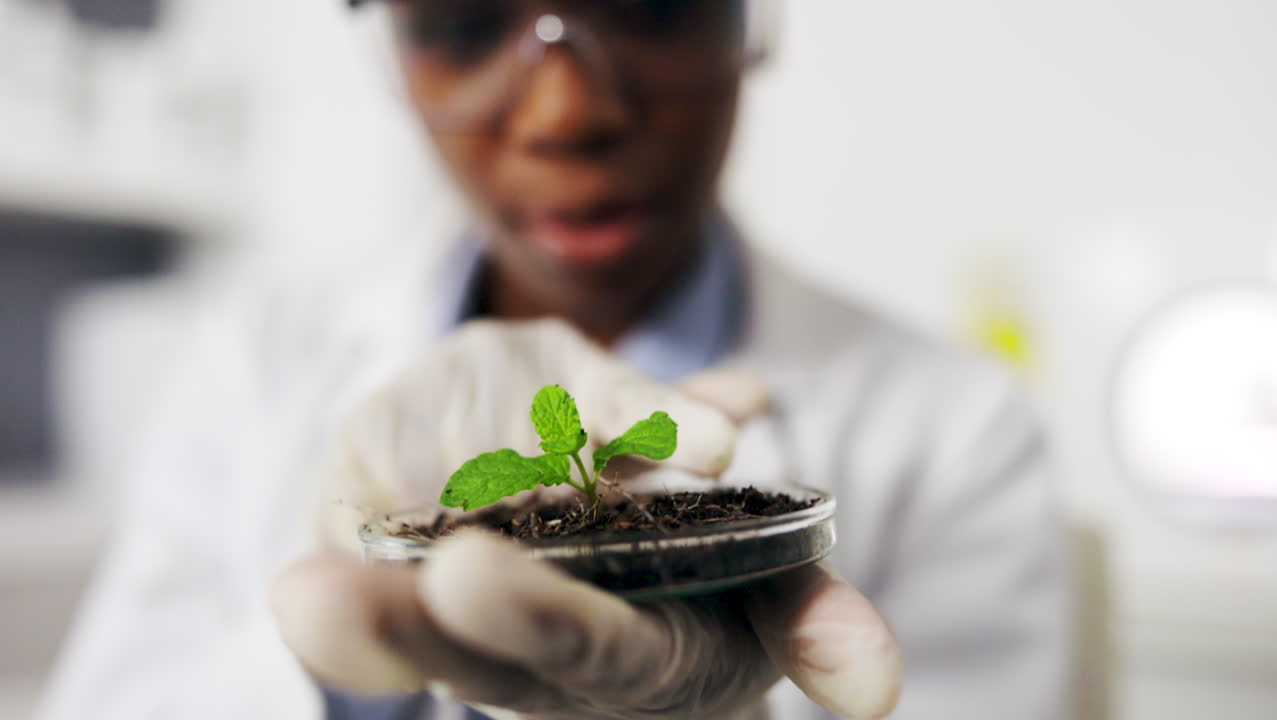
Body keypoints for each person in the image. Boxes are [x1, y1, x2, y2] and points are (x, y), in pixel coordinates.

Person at [40, 1, 1072, 719]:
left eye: (652, 4)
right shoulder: (254, 359)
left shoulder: (959, 427)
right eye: (457, 22)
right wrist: (343, 672)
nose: (562, 112)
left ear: (754, 22)